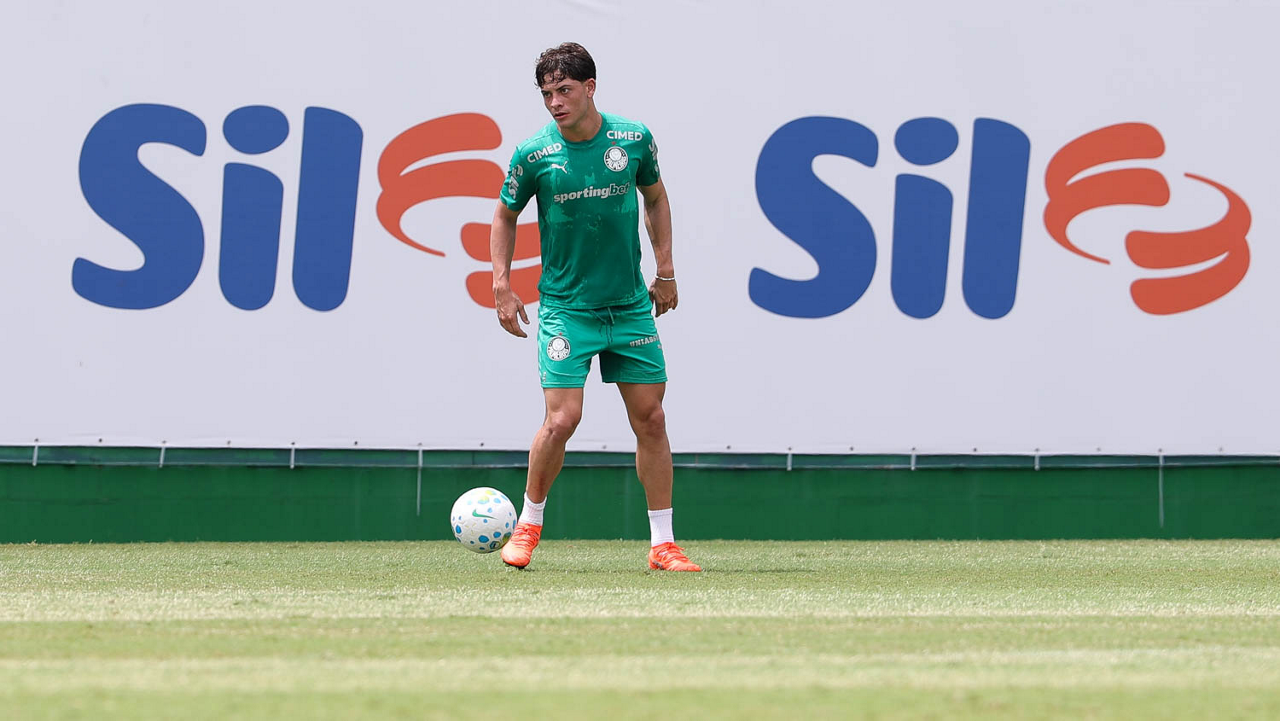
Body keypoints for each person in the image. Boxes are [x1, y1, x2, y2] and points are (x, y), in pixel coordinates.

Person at [488, 42, 700, 572]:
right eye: (546, 94)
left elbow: (656, 197)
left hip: (628, 306)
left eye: (563, 90)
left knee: (651, 418)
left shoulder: (633, 139)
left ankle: (663, 545)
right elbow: (505, 215)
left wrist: (666, 271)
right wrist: (502, 284)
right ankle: (528, 526)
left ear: (590, 87)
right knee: (563, 419)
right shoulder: (533, 154)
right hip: (566, 309)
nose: (555, 103)